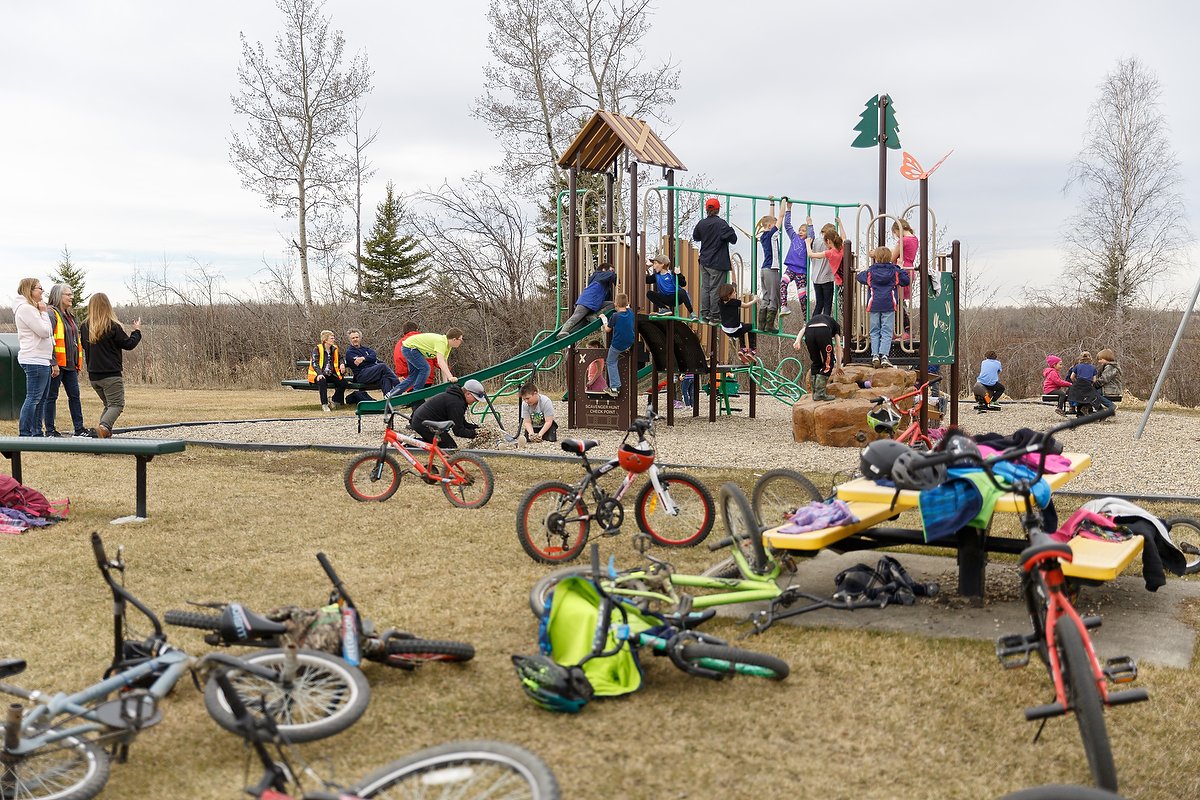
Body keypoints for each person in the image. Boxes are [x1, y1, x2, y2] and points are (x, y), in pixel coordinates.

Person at [80, 292, 141, 438]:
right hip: (111, 375)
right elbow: (129, 344)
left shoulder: (84, 326)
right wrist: (137, 331)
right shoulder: (112, 326)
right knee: (117, 405)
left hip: (94, 376)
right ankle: (102, 429)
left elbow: (83, 346)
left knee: (109, 405)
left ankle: (101, 436)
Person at [43, 284, 90, 437]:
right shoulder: (51, 314)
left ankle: (79, 429)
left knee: (75, 396)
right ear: (58, 296)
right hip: (57, 365)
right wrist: (53, 363)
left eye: (72, 294)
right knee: (51, 397)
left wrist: (77, 361)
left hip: (70, 365)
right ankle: (50, 430)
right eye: (68, 294)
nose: (71, 297)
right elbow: (47, 339)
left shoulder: (69, 315)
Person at [855, 246, 910, 368]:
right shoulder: (894, 271)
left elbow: (859, 277)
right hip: (889, 305)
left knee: (874, 331)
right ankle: (884, 356)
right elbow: (906, 281)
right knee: (886, 331)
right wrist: (900, 268)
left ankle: (875, 355)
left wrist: (869, 268)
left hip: (874, 304)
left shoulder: (871, 272)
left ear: (876, 258)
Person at [13, 278, 54, 437]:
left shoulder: (31, 308)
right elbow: (44, 331)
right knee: (33, 398)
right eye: (39, 288)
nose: (42, 291)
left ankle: (37, 433)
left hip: (42, 359)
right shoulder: (26, 309)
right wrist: (43, 313)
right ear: (29, 290)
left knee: (41, 399)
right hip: (34, 358)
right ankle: (25, 433)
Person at [691, 197, 737, 323]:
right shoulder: (721, 224)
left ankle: (704, 315)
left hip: (704, 261)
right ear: (718, 209)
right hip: (717, 262)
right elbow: (733, 239)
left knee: (705, 288)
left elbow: (696, 237)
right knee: (715, 289)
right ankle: (715, 316)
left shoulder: (701, 223)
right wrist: (730, 230)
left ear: (706, 209)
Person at [408, 379, 487, 450]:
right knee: (449, 447)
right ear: (468, 394)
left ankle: (411, 442)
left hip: (422, 420)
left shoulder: (457, 398)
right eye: (476, 398)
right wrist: (477, 434)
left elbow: (462, 423)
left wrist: (479, 428)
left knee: (440, 443)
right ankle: (408, 445)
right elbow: (458, 430)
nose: (476, 401)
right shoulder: (456, 403)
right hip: (422, 422)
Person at [394, 327, 463, 395]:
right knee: (425, 368)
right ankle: (416, 392)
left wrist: (445, 383)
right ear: (454, 339)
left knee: (413, 376)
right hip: (410, 348)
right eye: (460, 340)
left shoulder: (448, 346)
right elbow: (440, 362)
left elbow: (443, 364)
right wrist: (450, 377)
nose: (461, 342)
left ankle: (392, 394)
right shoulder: (441, 342)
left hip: (409, 348)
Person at [793, 313, 843, 401]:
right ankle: (820, 393)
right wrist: (838, 366)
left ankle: (814, 393)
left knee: (816, 362)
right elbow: (838, 346)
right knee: (828, 363)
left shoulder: (818, 319)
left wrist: (797, 340)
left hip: (809, 331)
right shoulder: (836, 326)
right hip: (823, 330)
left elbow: (803, 329)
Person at [559, 262, 617, 336]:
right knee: (577, 316)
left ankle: (593, 315)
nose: (613, 273)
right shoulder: (598, 275)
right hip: (586, 301)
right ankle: (563, 331)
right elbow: (611, 275)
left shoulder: (603, 283)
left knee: (611, 304)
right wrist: (617, 282)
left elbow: (607, 297)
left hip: (595, 304)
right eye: (611, 270)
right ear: (604, 270)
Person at [777, 198, 812, 318]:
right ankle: (784, 306)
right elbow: (787, 225)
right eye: (800, 230)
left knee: (802, 297)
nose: (800, 232)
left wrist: (810, 224)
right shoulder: (794, 237)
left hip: (801, 272)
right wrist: (789, 209)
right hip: (791, 268)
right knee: (783, 282)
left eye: (804, 230)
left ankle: (806, 319)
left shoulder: (808, 241)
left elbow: (812, 235)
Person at [806, 215, 845, 318]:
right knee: (827, 304)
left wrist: (810, 224)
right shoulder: (836, 248)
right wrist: (840, 223)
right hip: (828, 278)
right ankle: (825, 325)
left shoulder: (816, 242)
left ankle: (812, 325)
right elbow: (843, 238)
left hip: (816, 278)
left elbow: (811, 237)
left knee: (819, 304)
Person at [344, 329, 400, 396]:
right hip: (361, 375)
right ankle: (399, 385)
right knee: (383, 366)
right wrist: (368, 359)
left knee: (385, 378)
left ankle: (389, 399)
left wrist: (363, 358)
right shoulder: (350, 352)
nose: (355, 339)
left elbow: (374, 356)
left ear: (360, 338)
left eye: (357, 337)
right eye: (353, 338)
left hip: (372, 373)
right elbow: (361, 363)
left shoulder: (366, 349)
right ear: (350, 340)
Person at [601, 293, 635, 397]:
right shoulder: (631, 313)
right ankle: (615, 386)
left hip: (618, 344)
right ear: (627, 303)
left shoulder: (615, 316)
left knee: (611, 361)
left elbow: (607, 330)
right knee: (615, 357)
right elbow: (628, 307)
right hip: (629, 342)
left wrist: (604, 319)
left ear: (616, 303)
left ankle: (615, 387)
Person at [307, 330, 349, 412]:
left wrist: (342, 364)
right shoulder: (317, 349)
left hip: (331, 374)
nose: (333, 340)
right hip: (317, 374)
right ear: (326, 340)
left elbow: (340, 358)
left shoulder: (335, 349)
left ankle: (333, 400)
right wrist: (319, 374)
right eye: (331, 338)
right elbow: (314, 363)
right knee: (322, 381)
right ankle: (325, 404)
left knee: (343, 383)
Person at [891, 219, 919, 339]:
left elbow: (892, 257)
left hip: (901, 270)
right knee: (901, 301)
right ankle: (905, 330)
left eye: (895, 232)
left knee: (897, 301)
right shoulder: (914, 239)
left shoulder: (903, 241)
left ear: (898, 230)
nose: (896, 235)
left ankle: (901, 330)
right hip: (910, 269)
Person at [644, 254, 695, 318]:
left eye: (655, 263)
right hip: (665, 298)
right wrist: (646, 269)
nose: (653, 266)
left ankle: (692, 313)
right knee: (649, 293)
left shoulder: (672, 274)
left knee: (682, 291)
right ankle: (665, 309)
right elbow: (646, 280)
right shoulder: (656, 276)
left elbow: (683, 284)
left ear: (662, 264)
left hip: (675, 298)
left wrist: (679, 274)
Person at [717, 283, 758, 363]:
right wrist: (754, 300)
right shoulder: (735, 302)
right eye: (734, 293)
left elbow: (733, 285)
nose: (736, 293)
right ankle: (752, 350)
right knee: (751, 327)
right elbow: (746, 305)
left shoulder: (720, 302)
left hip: (725, 329)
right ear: (729, 295)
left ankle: (742, 349)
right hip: (735, 330)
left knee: (742, 326)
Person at [756, 203, 780, 330]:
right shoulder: (772, 235)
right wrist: (784, 203)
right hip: (772, 269)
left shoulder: (764, 235)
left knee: (765, 296)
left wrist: (771, 203)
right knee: (774, 296)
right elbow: (779, 218)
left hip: (764, 269)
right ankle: (769, 325)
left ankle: (761, 325)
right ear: (771, 226)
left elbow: (771, 219)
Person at [392, 322, 437, 390]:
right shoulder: (425, 339)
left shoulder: (401, 343)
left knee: (416, 398)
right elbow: (436, 358)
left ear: (404, 332)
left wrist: (401, 375)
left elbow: (399, 359)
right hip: (427, 379)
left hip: (412, 381)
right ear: (417, 329)